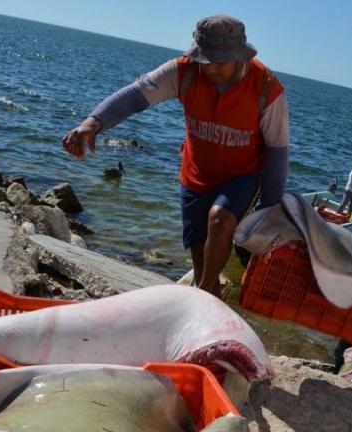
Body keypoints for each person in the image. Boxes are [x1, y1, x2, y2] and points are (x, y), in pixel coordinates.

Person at [61, 15, 289, 297]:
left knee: (219, 220)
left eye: (220, 62)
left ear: (240, 57)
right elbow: (134, 97)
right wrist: (91, 124)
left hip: (242, 174)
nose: (211, 69)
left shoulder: (266, 87)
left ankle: (201, 299)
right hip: (196, 172)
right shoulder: (185, 71)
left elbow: (277, 152)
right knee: (198, 249)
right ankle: (211, 290)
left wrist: (269, 208)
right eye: (206, 60)